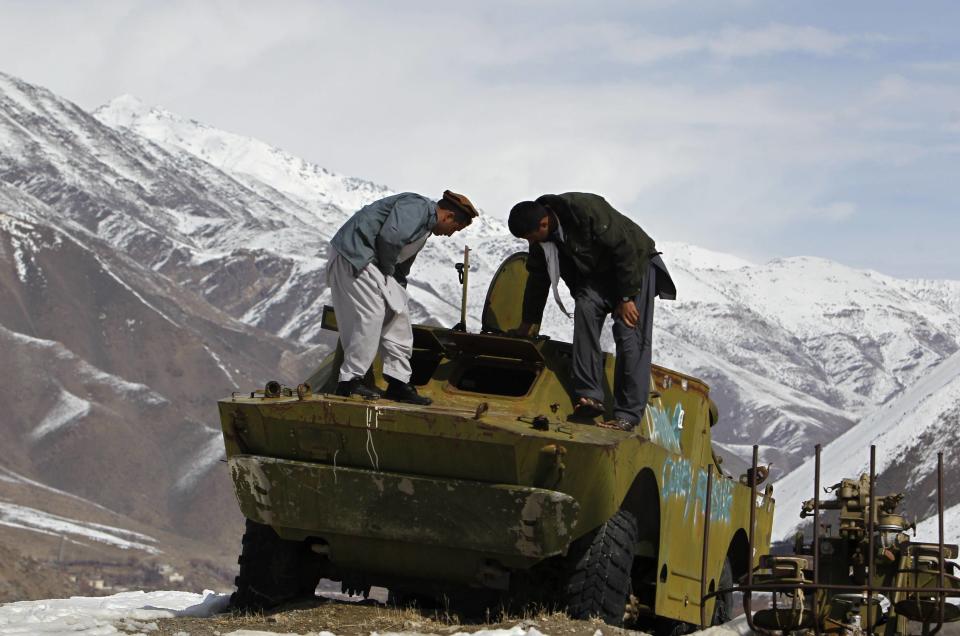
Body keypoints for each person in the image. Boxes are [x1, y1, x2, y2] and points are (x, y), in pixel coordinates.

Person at [507, 193, 676, 431]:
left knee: (628, 332)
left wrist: (626, 297)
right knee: (585, 309)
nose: (530, 242)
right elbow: (537, 278)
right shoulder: (540, 240)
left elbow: (624, 248)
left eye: (530, 237)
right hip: (597, 275)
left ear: (543, 224)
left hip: (634, 267)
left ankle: (627, 414)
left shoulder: (584, 210)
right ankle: (590, 395)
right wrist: (528, 323)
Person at [328, 190, 478, 404]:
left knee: (399, 317)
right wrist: (388, 273)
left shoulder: (425, 229)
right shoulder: (417, 207)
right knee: (370, 315)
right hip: (357, 257)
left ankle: (398, 381)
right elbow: (390, 238)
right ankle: (350, 381)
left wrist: (397, 288)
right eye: (454, 228)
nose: (450, 234)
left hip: (377, 267)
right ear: (448, 216)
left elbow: (401, 267)